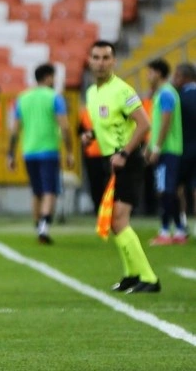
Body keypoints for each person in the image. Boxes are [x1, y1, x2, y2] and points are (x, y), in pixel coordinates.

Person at [81, 40, 160, 293]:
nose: (101, 63)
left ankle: (149, 278)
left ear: (114, 61)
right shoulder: (92, 93)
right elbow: (109, 123)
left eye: (106, 58)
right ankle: (131, 275)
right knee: (114, 221)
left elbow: (144, 124)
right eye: (96, 57)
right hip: (110, 161)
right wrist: (91, 135)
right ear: (89, 61)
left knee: (119, 219)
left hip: (128, 160)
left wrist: (124, 153)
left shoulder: (122, 90)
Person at [6, 63, 74, 244]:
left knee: (37, 191)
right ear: (48, 77)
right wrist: (70, 151)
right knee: (50, 190)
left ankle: (38, 226)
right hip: (48, 150)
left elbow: (15, 130)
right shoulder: (55, 98)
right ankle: (44, 227)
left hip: (29, 151)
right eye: (54, 77)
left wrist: (11, 154)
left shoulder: (22, 99)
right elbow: (65, 127)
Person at [143, 59, 187, 245]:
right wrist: (149, 146)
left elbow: (166, 122)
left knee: (165, 190)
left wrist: (157, 148)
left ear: (158, 73)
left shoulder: (166, 94)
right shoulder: (163, 93)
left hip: (168, 150)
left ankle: (165, 231)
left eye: (150, 72)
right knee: (169, 190)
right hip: (168, 149)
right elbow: (157, 124)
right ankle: (179, 230)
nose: (147, 76)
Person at [172, 62, 196, 236]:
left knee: (176, 187)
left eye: (177, 76)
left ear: (185, 77)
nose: (175, 79)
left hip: (182, 149)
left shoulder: (178, 98)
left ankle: (181, 223)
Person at [78, 105, 106, 214]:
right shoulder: (104, 108)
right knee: (103, 182)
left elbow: (79, 132)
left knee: (95, 183)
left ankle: (98, 207)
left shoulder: (85, 112)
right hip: (103, 151)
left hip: (94, 153)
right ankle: (103, 207)